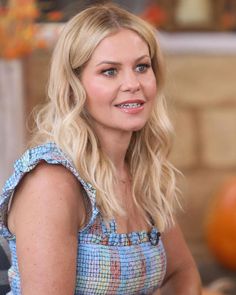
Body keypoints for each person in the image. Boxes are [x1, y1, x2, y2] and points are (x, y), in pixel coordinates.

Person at [0, 3, 202, 294]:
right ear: (73, 87)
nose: (133, 84)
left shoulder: (141, 173)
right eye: (109, 72)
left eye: (142, 67)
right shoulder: (51, 182)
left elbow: (182, 273)